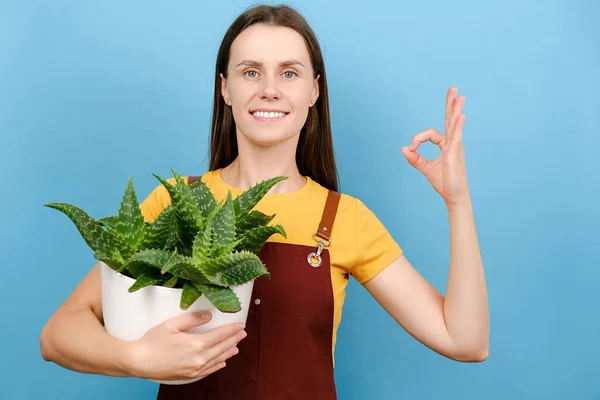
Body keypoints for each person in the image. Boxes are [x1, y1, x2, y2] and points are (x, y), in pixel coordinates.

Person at [40, 4, 489, 399]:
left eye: (288, 72)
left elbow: (465, 341)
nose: (269, 88)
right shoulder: (175, 202)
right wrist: (134, 357)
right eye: (250, 71)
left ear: (314, 91)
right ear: (225, 89)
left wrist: (458, 201)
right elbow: (59, 334)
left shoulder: (345, 219)